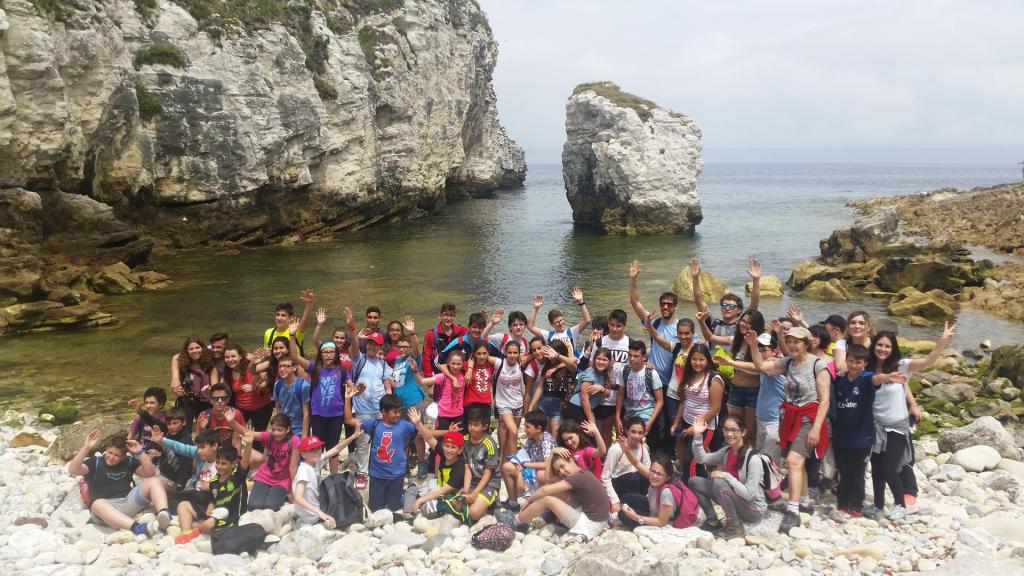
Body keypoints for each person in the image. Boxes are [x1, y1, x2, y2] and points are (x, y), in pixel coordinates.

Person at [746, 327, 831, 534]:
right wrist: (753, 346)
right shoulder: (788, 363)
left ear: (807, 343)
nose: (792, 345)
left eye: (797, 342)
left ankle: (792, 511)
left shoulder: (818, 366)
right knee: (796, 462)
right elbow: (763, 367)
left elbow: (825, 400)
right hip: (790, 417)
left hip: (809, 418)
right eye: (789, 341)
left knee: (793, 461)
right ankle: (804, 501)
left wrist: (816, 428)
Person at [866, 323, 954, 517]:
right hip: (875, 425)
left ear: (893, 348)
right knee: (877, 468)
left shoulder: (902, 366)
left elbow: (928, 362)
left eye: (887, 346)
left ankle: (900, 505)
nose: (883, 349)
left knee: (890, 468)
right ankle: (878, 505)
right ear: (873, 346)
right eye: (880, 345)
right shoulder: (867, 367)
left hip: (897, 426)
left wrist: (942, 341)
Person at [831, 345, 907, 518]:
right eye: (851, 361)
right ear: (846, 361)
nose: (854, 365)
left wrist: (888, 376)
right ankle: (843, 502)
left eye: (858, 362)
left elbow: (876, 379)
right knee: (843, 471)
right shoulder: (840, 380)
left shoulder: (866, 379)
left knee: (858, 473)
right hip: (841, 436)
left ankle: (857, 504)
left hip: (862, 438)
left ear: (865, 363)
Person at [68, 429, 172, 537]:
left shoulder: (129, 461)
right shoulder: (96, 462)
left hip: (128, 502)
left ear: (123, 457)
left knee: (154, 481)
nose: (111, 457)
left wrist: (140, 452)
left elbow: (150, 473)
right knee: (97, 504)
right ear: (106, 449)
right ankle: (138, 528)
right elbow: (73, 470)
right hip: (106, 511)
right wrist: (86, 447)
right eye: (110, 452)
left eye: (116, 455)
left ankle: (164, 514)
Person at [496, 448, 610, 542]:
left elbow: (544, 490)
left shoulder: (578, 478)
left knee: (546, 499)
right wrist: (552, 453)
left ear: (571, 461)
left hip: (589, 525)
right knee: (556, 487)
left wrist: (528, 500)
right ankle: (545, 517)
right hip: (600, 520)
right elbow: (548, 478)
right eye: (558, 471)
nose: (562, 472)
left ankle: (515, 521)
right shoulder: (583, 473)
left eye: (562, 466)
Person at [688, 414, 766, 539]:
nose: (729, 434)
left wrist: (726, 476)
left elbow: (749, 494)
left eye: (734, 430)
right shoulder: (727, 452)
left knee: (719, 482)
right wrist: (697, 435)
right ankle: (713, 520)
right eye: (726, 430)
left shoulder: (753, 459)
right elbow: (701, 458)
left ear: (743, 432)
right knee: (694, 482)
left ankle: (735, 527)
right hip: (734, 498)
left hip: (753, 509)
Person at [697, 308, 765, 449]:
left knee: (750, 430)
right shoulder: (737, 340)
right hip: (735, 389)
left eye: (749, 323)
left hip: (753, 391)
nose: (744, 324)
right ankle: (734, 455)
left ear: (756, 326)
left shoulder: (760, 343)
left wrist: (731, 362)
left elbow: (759, 367)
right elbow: (710, 337)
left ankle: (750, 457)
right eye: (743, 321)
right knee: (734, 428)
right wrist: (702, 322)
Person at [345, 307, 395, 490]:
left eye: (376, 345)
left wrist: (389, 404)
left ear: (380, 347)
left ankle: (378, 469)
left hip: (380, 411)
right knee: (363, 443)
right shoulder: (359, 359)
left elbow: (387, 386)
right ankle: (362, 473)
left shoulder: (383, 364)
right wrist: (352, 329)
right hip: (363, 411)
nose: (372, 347)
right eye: (370, 344)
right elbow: (354, 346)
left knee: (382, 441)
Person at [345, 392, 418, 512]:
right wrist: (348, 399)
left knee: (394, 508)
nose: (398, 415)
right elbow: (349, 420)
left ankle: (407, 492)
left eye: (399, 411)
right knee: (375, 508)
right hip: (377, 475)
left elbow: (419, 434)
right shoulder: (373, 424)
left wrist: (417, 424)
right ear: (384, 412)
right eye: (395, 412)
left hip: (397, 475)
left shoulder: (405, 426)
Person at [291, 326, 348, 474]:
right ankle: (315, 476)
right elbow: (294, 357)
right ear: (320, 354)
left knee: (333, 449)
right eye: (325, 352)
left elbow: (352, 389)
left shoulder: (341, 370)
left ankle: (334, 478)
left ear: (336, 354)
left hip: (336, 415)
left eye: (331, 352)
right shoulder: (313, 368)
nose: (328, 355)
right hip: (317, 415)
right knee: (316, 448)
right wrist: (292, 335)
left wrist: (359, 389)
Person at [174, 444, 250, 544]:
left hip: (231, 520)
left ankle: (195, 527)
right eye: (217, 462)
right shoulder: (215, 479)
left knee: (210, 524)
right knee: (183, 505)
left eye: (224, 463)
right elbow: (213, 496)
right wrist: (211, 504)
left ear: (234, 463)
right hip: (215, 514)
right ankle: (186, 532)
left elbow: (245, 462)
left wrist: (249, 444)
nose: (219, 466)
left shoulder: (237, 476)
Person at [671, 343, 725, 480]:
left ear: (708, 360)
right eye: (694, 359)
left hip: (705, 426)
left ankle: (690, 487)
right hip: (686, 420)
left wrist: (694, 428)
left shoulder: (714, 379)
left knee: (691, 460)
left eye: (701, 359)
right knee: (687, 458)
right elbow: (683, 401)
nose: (697, 363)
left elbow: (715, 408)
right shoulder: (689, 375)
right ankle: (693, 480)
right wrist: (676, 423)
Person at [648, 315, 697, 461]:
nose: (683, 336)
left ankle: (692, 462)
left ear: (693, 333)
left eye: (687, 333)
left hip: (690, 397)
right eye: (680, 333)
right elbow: (657, 337)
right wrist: (648, 323)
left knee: (692, 432)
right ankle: (681, 462)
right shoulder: (676, 347)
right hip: (672, 396)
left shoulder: (697, 351)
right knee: (677, 431)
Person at [405, 409, 469, 519]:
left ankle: (417, 507)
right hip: (436, 486)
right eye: (447, 446)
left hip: (446, 495)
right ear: (443, 445)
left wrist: (420, 500)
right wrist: (418, 423)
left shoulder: (459, 469)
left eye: (453, 447)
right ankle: (407, 515)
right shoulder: (444, 453)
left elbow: (442, 491)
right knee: (411, 489)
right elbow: (429, 438)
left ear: (460, 450)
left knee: (428, 508)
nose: (449, 450)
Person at [293, 428, 364, 526]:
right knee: (339, 483)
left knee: (339, 482)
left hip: (317, 505)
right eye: (312, 449)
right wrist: (320, 513)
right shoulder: (304, 470)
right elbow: (298, 498)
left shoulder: (315, 461)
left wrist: (353, 436)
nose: (317, 452)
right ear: (303, 454)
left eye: (318, 448)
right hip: (313, 515)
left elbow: (336, 449)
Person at [629, 259, 680, 385]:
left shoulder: (681, 328)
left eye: (669, 304)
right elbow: (635, 303)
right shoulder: (654, 322)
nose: (665, 307)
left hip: (672, 382)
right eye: (663, 304)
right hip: (651, 377)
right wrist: (633, 280)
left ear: (675, 307)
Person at [689, 257, 761, 340]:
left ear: (739, 310)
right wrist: (695, 278)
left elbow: (754, 304)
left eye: (731, 306)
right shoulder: (713, 323)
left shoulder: (742, 325)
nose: (727, 308)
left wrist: (756, 280)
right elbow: (699, 301)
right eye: (724, 305)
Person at [590, 308, 631, 448]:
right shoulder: (600, 343)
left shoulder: (629, 343)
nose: (614, 329)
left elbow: (636, 364)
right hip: (603, 394)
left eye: (618, 326)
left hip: (623, 395)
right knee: (605, 431)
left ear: (624, 326)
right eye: (612, 325)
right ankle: (605, 457)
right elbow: (592, 365)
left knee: (622, 432)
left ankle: (624, 457)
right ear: (608, 324)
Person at [500, 409, 555, 510]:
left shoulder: (546, 440)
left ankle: (543, 506)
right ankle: (513, 503)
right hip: (531, 470)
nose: (525, 429)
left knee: (541, 474)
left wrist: (525, 465)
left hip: (545, 474)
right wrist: (519, 475)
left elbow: (547, 464)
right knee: (507, 466)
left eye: (527, 427)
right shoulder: (531, 439)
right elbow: (519, 457)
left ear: (538, 428)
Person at [618, 456, 690, 529]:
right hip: (658, 508)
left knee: (623, 514)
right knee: (626, 498)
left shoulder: (666, 493)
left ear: (667, 478)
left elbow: (662, 522)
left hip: (665, 521)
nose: (654, 476)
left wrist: (636, 517)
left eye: (659, 474)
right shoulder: (657, 483)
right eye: (653, 471)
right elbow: (636, 463)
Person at [247, 414, 301, 511]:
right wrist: (232, 422)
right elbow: (248, 433)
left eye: (279, 430)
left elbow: (293, 468)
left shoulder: (294, 440)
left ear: (288, 429)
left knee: (271, 507)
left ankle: (283, 497)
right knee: (254, 506)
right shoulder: (269, 436)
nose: (276, 433)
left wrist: (293, 493)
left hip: (282, 480)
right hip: (264, 476)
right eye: (273, 429)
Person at [526, 340, 578, 434]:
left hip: (559, 405)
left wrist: (556, 360)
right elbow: (540, 388)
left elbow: (574, 360)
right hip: (544, 403)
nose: (549, 357)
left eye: (550, 354)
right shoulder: (547, 366)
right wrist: (530, 407)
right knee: (545, 435)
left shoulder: (568, 367)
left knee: (556, 434)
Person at [615, 340, 664, 438]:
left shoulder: (651, 373)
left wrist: (650, 422)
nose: (632, 359)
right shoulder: (624, 371)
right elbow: (620, 395)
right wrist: (617, 417)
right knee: (627, 440)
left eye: (636, 356)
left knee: (638, 439)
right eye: (630, 355)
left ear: (644, 357)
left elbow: (660, 401)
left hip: (646, 413)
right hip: (629, 413)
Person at [460, 405, 502, 521]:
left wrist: (474, 494)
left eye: (476, 425)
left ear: (485, 426)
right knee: (458, 505)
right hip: (473, 482)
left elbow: (488, 475)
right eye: (470, 424)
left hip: (490, 484)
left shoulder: (489, 444)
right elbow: (468, 468)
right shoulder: (465, 440)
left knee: (473, 513)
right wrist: (466, 489)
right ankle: (484, 504)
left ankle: (492, 503)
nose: (472, 428)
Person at [408, 349, 466, 432]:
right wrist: (415, 371)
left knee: (457, 438)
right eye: (453, 363)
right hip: (443, 415)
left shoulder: (464, 376)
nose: (455, 366)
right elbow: (421, 381)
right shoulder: (442, 377)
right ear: (448, 363)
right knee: (442, 438)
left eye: (458, 364)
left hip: (459, 415)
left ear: (463, 364)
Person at [601, 417, 651, 512]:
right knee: (633, 478)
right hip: (619, 484)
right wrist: (615, 501)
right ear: (627, 431)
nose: (636, 436)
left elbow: (648, 474)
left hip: (636, 485)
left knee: (643, 476)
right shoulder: (616, 449)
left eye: (640, 433)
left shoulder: (643, 449)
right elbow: (605, 477)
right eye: (633, 432)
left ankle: (642, 504)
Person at [150, 426, 219, 493]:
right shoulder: (199, 454)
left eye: (202, 447)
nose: (199, 451)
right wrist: (162, 440)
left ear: (215, 446)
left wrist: (212, 487)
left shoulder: (223, 463)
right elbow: (180, 447)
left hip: (208, 496)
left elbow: (224, 487)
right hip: (194, 491)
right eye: (198, 448)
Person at [170, 336, 220, 429]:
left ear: (203, 348)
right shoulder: (182, 362)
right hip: (187, 399)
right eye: (191, 349)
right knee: (184, 428)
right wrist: (176, 384)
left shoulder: (210, 362)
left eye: (197, 348)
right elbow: (175, 358)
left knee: (206, 428)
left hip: (205, 401)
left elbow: (215, 386)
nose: (194, 351)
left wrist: (211, 390)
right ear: (186, 351)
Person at [752, 333, 786, 466]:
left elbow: (756, 366)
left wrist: (730, 362)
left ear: (774, 351)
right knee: (760, 455)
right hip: (761, 417)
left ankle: (775, 478)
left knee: (771, 460)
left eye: (764, 350)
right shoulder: (764, 364)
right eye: (759, 350)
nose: (761, 354)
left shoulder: (776, 366)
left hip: (775, 420)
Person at [223, 342, 273, 432]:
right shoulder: (227, 372)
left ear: (240, 356)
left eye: (233, 356)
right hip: (241, 409)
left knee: (257, 437)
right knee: (235, 433)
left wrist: (255, 387)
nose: (230, 359)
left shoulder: (253, 367)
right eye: (227, 357)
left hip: (261, 407)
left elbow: (269, 381)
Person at [490, 340, 527, 459]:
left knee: (512, 433)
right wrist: (470, 367)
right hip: (503, 403)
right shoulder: (499, 363)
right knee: (512, 430)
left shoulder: (521, 362)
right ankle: (509, 457)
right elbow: (480, 355)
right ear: (505, 353)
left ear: (519, 353)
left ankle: (506, 459)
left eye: (515, 353)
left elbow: (536, 353)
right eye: (510, 352)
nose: (512, 355)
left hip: (518, 402)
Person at [527, 286, 591, 351]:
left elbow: (587, 320)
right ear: (552, 324)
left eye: (561, 320)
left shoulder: (572, 332)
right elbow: (530, 326)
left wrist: (580, 301)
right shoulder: (548, 335)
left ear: (564, 318)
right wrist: (536, 308)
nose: (560, 323)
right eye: (557, 322)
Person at [150, 407, 194, 490]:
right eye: (169, 424)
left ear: (184, 422)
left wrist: (180, 484)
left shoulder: (186, 441)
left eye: (175, 423)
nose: (171, 427)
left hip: (173, 480)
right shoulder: (168, 435)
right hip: (162, 471)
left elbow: (186, 466)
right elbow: (165, 453)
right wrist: (158, 455)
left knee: (152, 487)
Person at [422, 302, 468, 377]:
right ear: (440, 316)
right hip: (439, 375)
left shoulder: (462, 331)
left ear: (455, 317)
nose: (448, 318)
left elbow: (476, 341)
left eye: (451, 315)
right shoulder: (431, 334)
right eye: (445, 315)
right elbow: (426, 358)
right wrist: (429, 379)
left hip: (459, 375)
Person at [572, 347, 614, 429]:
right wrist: (591, 420)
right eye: (598, 359)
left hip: (588, 409)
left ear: (609, 362)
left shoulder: (605, 374)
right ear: (594, 359)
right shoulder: (589, 373)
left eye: (604, 360)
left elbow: (608, 393)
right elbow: (584, 399)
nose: (601, 362)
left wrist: (602, 389)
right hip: (577, 408)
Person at [195, 384, 245, 450]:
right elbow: (198, 443)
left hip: (230, 450)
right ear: (211, 400)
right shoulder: (204, 416)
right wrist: (202, 429)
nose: (220, 401)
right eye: (215, 399)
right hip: (212, 451)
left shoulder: (235, 414)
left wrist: (233, 422)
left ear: (228, 399)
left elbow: (241, 438)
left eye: (223, 398)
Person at [263, 290, 314, 354]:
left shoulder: (295, 332)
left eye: (283, 315)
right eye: (278, 315)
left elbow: (305, 320)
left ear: (290, 318)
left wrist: (309, 303)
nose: (279, 318)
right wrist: (264, 353)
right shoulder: (268, 333)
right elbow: (264, 351)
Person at [271, 356, 311, 437]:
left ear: (294, 367)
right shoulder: (277, 384)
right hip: (282, 430)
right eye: (280, 366)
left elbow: (306, 413)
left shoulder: (303, 386)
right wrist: (276, 428)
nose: (282, 369)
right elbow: (277, 407)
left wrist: (304, 435)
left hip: (298, 431)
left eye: (287, 366)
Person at [462, 342, 495, 427]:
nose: (482, 356)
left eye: (484, 353)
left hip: (486, 404)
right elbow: (444, 365)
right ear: (474, 354)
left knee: (484, 431)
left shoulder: (491, 365)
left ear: (488, 354)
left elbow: (503, 361)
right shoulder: (467, 365)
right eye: (479, 353)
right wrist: (469, 369)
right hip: (470, 403)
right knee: (469, 430)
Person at [128, 387, 167, 453]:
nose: (148, 406)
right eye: (146, 403)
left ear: (161, 404)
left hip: (159, 452)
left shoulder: (168, 419)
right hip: (141, 451)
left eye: (152, 403)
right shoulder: (139, 418)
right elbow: (130, 436)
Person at [832, 311, 873, 375]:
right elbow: (840, 368)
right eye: (853, 323)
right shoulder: (842, 344)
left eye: (861, 323)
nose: (856, 326)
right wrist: (863, 348)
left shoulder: (877, 344)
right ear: (848, 327)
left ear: (869, 328)